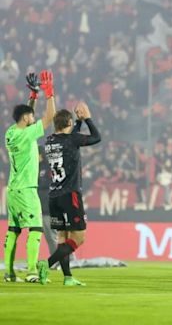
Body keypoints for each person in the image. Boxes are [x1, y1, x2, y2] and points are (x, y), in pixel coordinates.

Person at [37, 102, 101, 286]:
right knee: (79, 237)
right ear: (69, 124)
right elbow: (97, 137)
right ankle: (47, 264)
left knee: (63, 237)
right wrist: (87, 118)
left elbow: (69, 137)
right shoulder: (71, 140)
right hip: (70, 195)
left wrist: (76, 123)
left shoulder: (49, 141)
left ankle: (68, 277)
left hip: (54, 196)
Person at [3, 71, 56, 283]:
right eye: (31, 117)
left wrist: (33, 97)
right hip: (27, 190)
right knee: (35, 229)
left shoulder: (11, 133)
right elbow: (50, 118)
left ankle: (9, 272)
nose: (33, 118)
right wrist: (48, 93)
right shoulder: (28, 134)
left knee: (13, 231)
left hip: (12, 190)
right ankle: (32, 271)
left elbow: (27, 117)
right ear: (26, 118)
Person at [38, 145, 57, 256]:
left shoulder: (49, 167)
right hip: (40, 207)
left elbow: (52, 184)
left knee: (54, 235)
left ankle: (68, 261)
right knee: (49, 237)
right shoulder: (36, 167)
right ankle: (56, 260)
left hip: (48, 208)